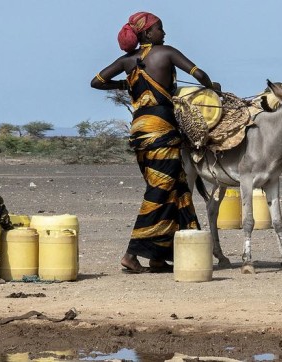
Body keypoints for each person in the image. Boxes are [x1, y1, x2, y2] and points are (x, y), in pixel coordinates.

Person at [90, 12, 220, 273]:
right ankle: (131, 254)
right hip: (161, 131)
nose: (164, 33)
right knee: (160, 191)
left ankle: (160, 257)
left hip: (139, 133)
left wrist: (126, 85)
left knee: (176, 189)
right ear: (147, 33)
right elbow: (200, 73)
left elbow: (97, 81)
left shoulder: (127, 61)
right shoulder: (166, 52)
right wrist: (213, 87)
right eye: (160, 29)